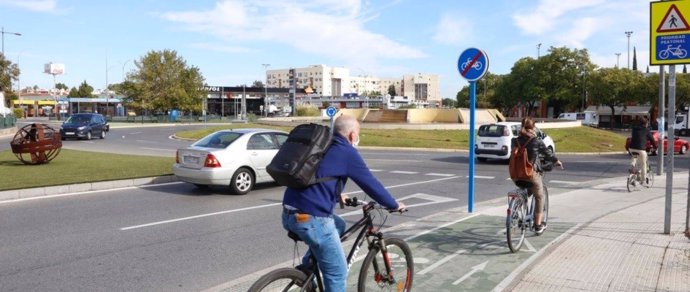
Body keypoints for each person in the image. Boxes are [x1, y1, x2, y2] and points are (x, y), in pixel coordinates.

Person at [281, 114, 406, 292]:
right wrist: (393, 204)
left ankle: (309, 268)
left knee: (338, 224)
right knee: (337, 274)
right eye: (358, 134)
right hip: (312, 219)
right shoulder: (347, 152)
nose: (357, 138)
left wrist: (337, 193)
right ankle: (312, 268)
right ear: (351, 135)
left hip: (288, 213)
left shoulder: (322, 145)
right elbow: (371, 184)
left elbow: (316, 174)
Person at [511, 117, 563, 235]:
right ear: (533, 128)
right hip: (531, 175)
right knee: (539, 197)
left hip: (517, 175)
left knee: (525, 191)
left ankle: (517, 209)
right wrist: (556, 161)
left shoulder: (515, 141)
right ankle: (538, 225)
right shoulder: (536, 141)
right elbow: (547, 153)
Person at [628, 117, 657, 186]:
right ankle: (642, 180)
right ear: (646, 124)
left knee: (635, 156)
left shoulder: (634, 128)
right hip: (641, 149)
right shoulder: (646, 130)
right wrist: (655, 147)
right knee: (643, 164)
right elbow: (652, 140)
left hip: (631, 148)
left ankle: (632, 166)